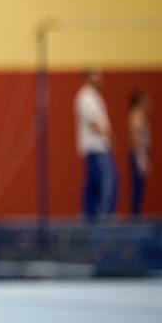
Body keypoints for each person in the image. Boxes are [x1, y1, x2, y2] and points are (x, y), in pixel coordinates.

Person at [73, 68, 118, 223]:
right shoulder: (86, 97)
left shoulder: (93, 96)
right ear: (88, 77)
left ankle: (89, 216)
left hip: (96, 147)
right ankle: (103, 217)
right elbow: (93, 122)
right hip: (96, 146)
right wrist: (108, 136)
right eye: (96, 74)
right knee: (108, 179)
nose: (100, 77)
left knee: (92, 183)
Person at [127, 90, 150, 220]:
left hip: (139, 151)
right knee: (137, 185)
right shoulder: (136, 115)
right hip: (138, 152)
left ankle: (136, 213)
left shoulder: (138, 115)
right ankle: (135, 215)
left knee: (139, 185)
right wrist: (141, 155)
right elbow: (136, 135)